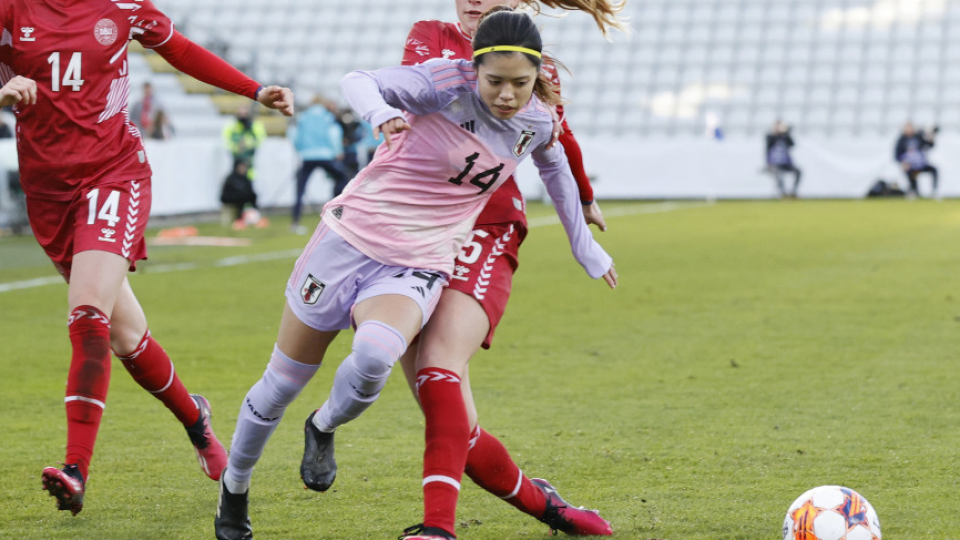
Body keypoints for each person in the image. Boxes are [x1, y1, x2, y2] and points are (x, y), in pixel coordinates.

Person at [213, 9, 617, 540]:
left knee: (380, 356)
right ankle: (234, 489)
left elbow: (555, 160)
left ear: (536, 76)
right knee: (280, 386)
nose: (506, 95)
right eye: (494, 82)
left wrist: (584, 245)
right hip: (348, 241)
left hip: (420, 260)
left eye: (519, 84)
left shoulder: (537, 114)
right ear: (475, 70)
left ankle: (328, 427)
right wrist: (380, 112)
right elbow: (358, 81)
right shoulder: (443, 76)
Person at [0, 0, 294, 516]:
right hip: (47, 193)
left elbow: (179, 49)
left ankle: (75, 468)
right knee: (125, 335)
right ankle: (196, 418)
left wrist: (253, 90)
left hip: (113, 174)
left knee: (88, 314)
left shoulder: (123, 8)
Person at [382, 1, 626, 539]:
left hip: (487, 223)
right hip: (413, 226)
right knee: (452, 423)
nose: (473, 2)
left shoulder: (537, 65)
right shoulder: (429, 35)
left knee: (438, 369)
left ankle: (437, 529)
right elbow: (412, 91)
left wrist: (583, 199)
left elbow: (557, 137)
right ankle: (551, 510)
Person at [288, 95, 350, 234]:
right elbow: (334, 134)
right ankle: (337, 213)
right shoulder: (327, 116)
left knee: (300, 189)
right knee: (343, 178)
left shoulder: (303, 116)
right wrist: (338, 151)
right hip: (325, 155)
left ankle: (295, 223)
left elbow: (293, 134)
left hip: (307, 156)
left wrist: (301, 150)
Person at [223, 103, 269, 229]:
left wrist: (247, 144)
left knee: (251, 193)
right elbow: (228, 143)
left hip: (250, 167)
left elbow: (259, 141)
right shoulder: (232, 127)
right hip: (237, 164)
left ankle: (252, 216)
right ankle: (240, 217)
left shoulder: (255, 126)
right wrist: (239, 148)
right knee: (238, 193)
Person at [894, 121, 939, 199]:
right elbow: (896, 155)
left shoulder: (918, 137)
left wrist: (931, 136)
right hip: (911, 166)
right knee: (911, 173)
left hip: (921, 165)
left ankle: (934, 191)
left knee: (934, 170)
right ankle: (914, 191)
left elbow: (929, 145)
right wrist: (903, 162)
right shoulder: (901, 140)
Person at [765, 120, 801, 199]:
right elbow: (768, 146)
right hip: (775, 163)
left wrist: (787, 133)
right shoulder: (770, 137)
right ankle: (783, 193)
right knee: (778, 174)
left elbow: (792, 144)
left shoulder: (785, 137)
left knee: (798, 172)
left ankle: (793, 192)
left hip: (786, 163)